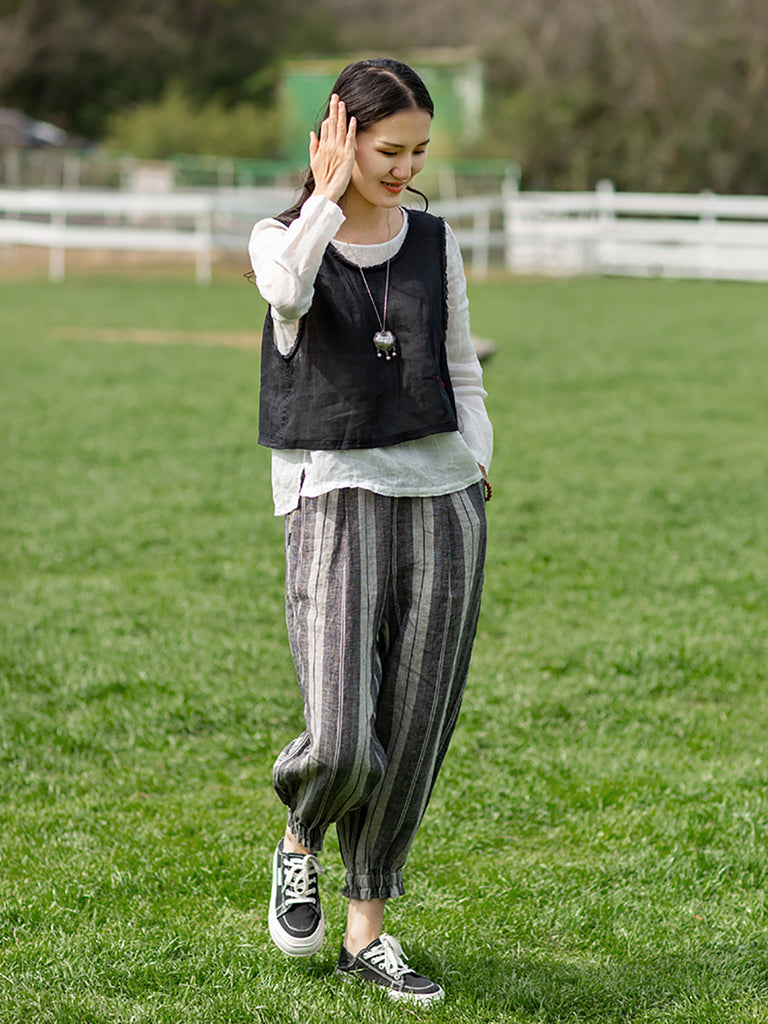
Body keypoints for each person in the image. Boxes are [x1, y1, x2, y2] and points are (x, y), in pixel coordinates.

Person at [247, 57, 492, 1005]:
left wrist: (478, 462)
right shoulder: (282, 237)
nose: (406, 168)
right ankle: (299, 838)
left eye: (419, 151)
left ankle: (367, 931)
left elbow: (461, 366)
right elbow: (286, 294)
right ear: (341, 136)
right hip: (334, 494)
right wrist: (325, 195)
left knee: (416, 725)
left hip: (443, 498)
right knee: (346, 736)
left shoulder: (433, 239)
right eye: (390, 149)